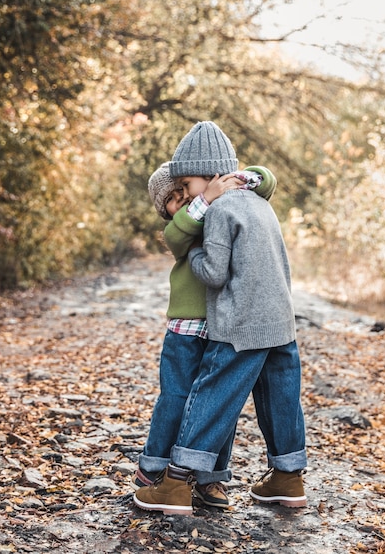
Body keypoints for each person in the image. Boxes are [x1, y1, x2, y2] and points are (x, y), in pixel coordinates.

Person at [133, 121, 307, 516]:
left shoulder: (219, 208)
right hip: (279, 320)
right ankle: (289, 476)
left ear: (210, 174)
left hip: (239, 324)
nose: (192, 195)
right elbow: (262, 183)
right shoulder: (257, 203)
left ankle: (176, 482)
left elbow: (213, 272)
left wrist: (194, 255)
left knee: (213, 397)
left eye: (189, 184)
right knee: (280, 398)